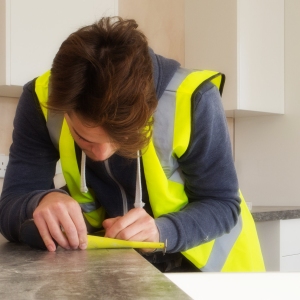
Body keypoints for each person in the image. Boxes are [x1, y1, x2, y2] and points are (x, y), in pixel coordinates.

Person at [0, 17, 264, 272]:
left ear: (148, 109)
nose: (101, 154)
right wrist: (40, 200)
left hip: (213, 273)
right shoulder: (41, 99)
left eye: (121, 138)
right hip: (116, 270)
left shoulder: (195, 98)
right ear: (64, 111)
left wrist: (163, 231)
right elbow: (10, 206)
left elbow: (222, 204)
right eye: (83, 138)